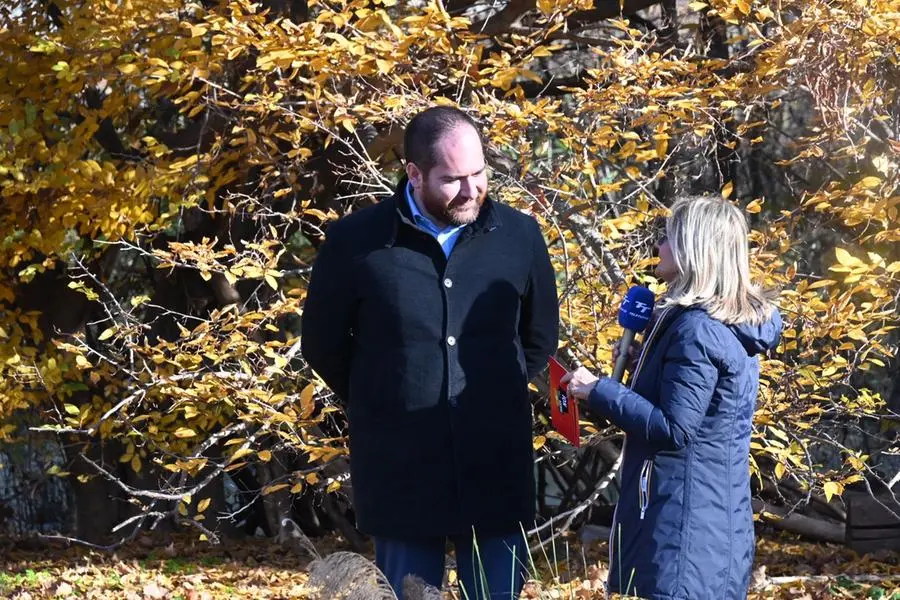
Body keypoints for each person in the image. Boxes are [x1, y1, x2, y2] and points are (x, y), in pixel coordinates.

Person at [301, 106, 559, 599]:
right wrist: (385, 397)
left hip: (495, 465)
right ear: (414, 174)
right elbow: (322, 343)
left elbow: (539, 335)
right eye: (452, 179)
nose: (470, 190)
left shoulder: (520, 236)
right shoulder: (356, 242)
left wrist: (494, 393)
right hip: (401, 469)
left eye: (479, 173)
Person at [563, 196, 782, 600]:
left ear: (693, 249)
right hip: (706, 522)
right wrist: (640, 365)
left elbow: (674, 428)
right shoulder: (723, 325)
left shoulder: (697, 330)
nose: (658, 247)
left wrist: (599, 390)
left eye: (668, 238)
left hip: (685, 531)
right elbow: (700, 407)